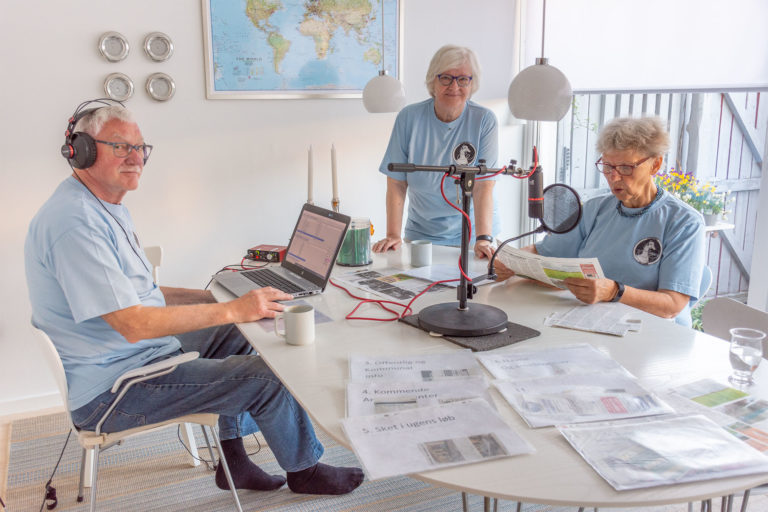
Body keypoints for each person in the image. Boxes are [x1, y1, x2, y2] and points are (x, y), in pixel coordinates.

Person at [25, 102, 364, 496]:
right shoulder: (76, 225)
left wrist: (209, 299)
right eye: (121, 147)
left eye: (141, 148)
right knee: (267, 375)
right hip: (114, 390)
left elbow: (137, 295)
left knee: (241, 331)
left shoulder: (100, 206)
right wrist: (230, 306)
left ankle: (233, 460)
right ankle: (305, 471)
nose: (136, 158)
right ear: (80, 150)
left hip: (130, 356)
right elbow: (133, 323)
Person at [497, 117, 705, 326]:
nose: (613, 178)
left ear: (655, 164)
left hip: (655, 335)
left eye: (625, 167)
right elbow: (543, 252)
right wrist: (511, 260)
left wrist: (614, 291)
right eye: (607, 166)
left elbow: (672, 305)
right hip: (593, 322)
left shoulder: (684, 222)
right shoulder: (595, 209)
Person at [372, 44, 500, 259]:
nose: (454, 86)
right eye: (446, 78)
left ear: (472, 83)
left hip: (473, 236)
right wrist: (393, 234)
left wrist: (483, 238)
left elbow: (484, 185)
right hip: (421, 233)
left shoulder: (484, 120)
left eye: (463, 79)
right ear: (433, 80)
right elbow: (396, 181)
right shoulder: (409, 118)